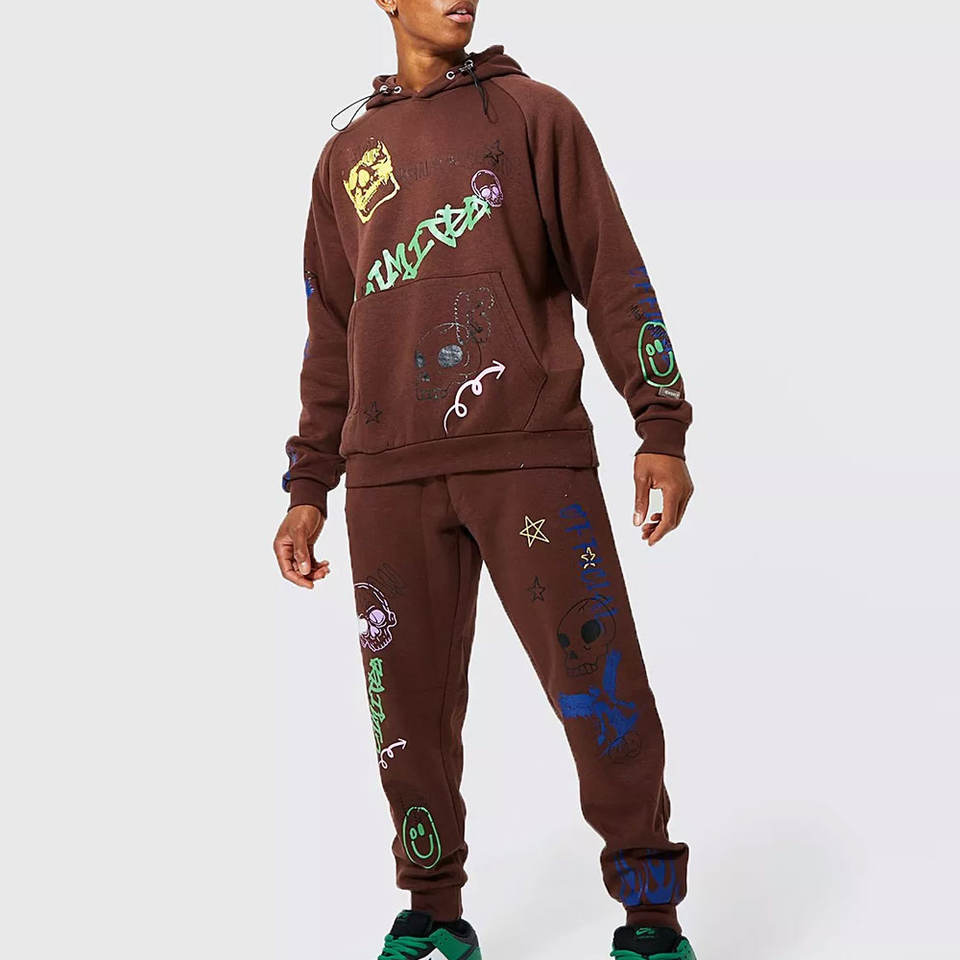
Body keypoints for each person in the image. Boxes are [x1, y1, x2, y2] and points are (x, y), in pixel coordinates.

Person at [273, 2, 698, 958]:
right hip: (387, 476)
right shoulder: (347, 158)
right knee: (404, 712)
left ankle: (650, 918)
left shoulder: (536, 115)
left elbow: (611, 269)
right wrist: (308, 486)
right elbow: (332, 332)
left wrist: (659, 420)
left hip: (529, 454)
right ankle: (434, 910)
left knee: (600, 684)